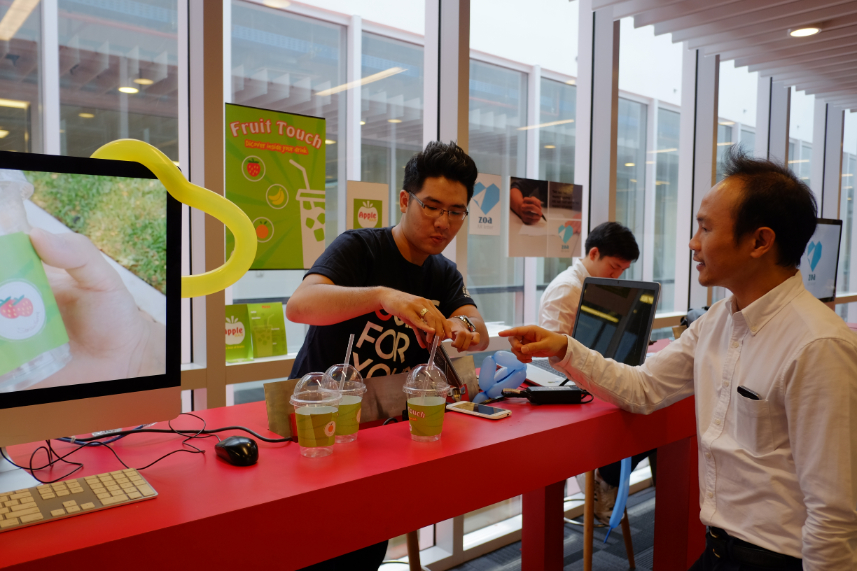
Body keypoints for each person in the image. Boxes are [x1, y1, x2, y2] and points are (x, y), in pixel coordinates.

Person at [500, 147, 857, 569]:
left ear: (760, 241)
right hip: (719, 547)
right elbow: (644, 387)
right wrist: (562, 348)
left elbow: (834, 514)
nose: (692, 243)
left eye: (705, 229)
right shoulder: (717, 322)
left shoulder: (818, 345)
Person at [286, 140, 489, 571]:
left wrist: (461, 329)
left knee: (364, 550)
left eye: (456, 212)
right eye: (431, 206)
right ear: (404, 199)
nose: (442, 222)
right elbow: (300, 305)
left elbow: (477, 328)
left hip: (382, 442)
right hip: (319, 432)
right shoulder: (360, 248)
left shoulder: (443, 272)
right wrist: (384, 296)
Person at [538, 221, 642, 524]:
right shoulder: (567, 288)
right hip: (571, 387)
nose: (617, 276)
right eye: (614, 267)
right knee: (639, 418)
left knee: (649, 415)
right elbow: (548, 357)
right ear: (593, 253)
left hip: (591, 379)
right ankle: (606, 479)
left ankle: (608, 481)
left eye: (623, 270)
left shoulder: (597, 287)